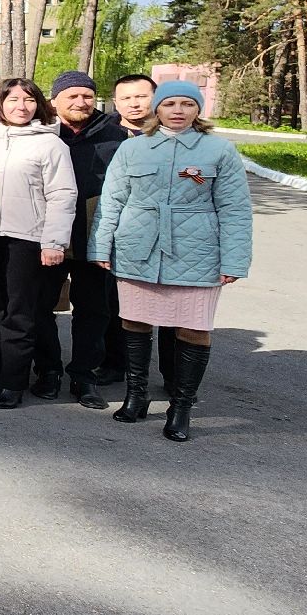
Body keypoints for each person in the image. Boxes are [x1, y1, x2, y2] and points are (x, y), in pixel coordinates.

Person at [92, 81, 250, 442]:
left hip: (197, 251)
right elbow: (112, 201)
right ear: (157, 109)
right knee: (134, 321)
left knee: (193, 326)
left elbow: (236, 209)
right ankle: (136, 395)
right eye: (170, 104)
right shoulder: (133, 149)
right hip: (137, 245)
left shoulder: (219, 151)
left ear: (198, 110)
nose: (178, 110)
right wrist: (100, 247)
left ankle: (181, 406)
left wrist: (235, 259)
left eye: (187, 104)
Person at [0, 78, 79, 409]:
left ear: (39, 105)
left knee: (20, 314)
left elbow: (62, 195)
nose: (21, 106)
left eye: (28, 99)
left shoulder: (50, 145)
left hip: (28, 239)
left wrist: (54, 242)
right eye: (13, 99)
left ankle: (12, 382)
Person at [37, 70, 132, 409]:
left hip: (96, 234)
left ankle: (84, 374)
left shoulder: (116, 136)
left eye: (87, 96)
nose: (80, 102)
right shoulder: (42, 133)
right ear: (55, 101)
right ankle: (48, 370)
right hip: (48, 235)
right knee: (40, 306)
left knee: (93, 309)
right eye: (72, 96)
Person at [105, 71, 172, 386]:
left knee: (171, 311)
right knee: (116, 306)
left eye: (141, 96)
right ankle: (117, 365)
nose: (134, 103)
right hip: (119, 236)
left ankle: (174, 376)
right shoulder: (104, 134)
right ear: (116, 102)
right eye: (126, 98)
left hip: (170, 239)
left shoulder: (177, 137)